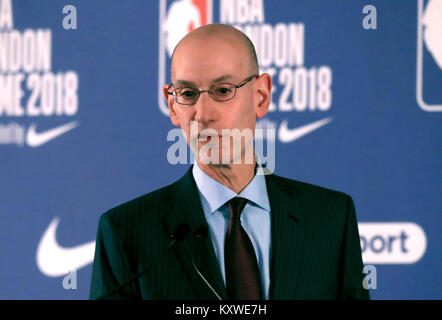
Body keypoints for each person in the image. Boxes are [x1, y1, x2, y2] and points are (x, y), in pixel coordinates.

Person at [89, 24, 370, 300]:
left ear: (261, 96)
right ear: (173, 106)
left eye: (223, 91)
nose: (203, 114)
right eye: (187, 94)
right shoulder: (125, 232)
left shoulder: (331, 218)